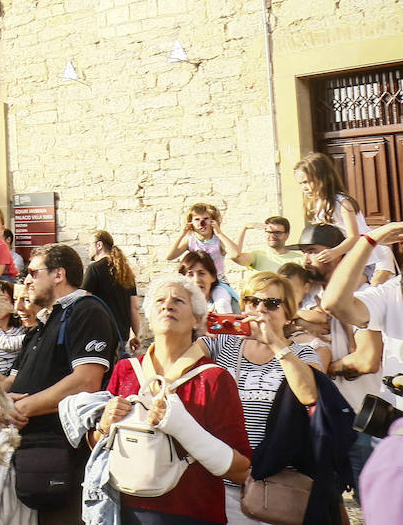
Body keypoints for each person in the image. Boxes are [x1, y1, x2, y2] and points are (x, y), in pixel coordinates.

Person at [92, 274, 252, 524]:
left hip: (192, 513)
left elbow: (241, 470)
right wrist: (104, 425)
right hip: (126, 511)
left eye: (178, 300)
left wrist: (184, 429)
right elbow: (97, 446)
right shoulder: (125, 370)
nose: (167, 305)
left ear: (197, 319)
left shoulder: (213, 379)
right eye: (159, 301)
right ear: (149, 318)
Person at [3, 244, 119, 524]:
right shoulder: (48, 321)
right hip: (36, 460)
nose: (27, 280)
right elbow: (16, 381)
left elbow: (86, 381)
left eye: (33, 272)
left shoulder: (86, 311)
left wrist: (22, 407)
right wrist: (1, 402)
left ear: (59, 274)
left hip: (68, 461)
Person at [197, 271, 324, 522]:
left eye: (272, 303)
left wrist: (276, 343)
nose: (261, 309)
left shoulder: (303, 354)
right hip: (222, 481)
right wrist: (195, 327)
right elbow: (178, 364)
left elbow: (310, 394)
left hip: (274, 488)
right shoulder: (221, 345)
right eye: (253, 302)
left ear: (287, 312)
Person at [295, 222, 383, 486]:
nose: (306, 259)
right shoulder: (313, 299)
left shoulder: (363, 297)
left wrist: (324, 369)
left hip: (363, 420)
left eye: (312, 250)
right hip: (335, 418)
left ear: (339, 255)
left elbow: (366, 360)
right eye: (303, 252)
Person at [295, 151, 396, 285]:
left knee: (352, 289)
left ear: (322, 178)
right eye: (301, 183)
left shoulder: (342, 203)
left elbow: (354, 236)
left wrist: (334, 252)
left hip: (368, 258)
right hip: (348, 258)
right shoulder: (316, 203)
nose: (304, 188)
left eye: (307, 182)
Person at [84, 229, 141, 355]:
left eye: (89, 245)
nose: (87, 249)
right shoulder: (126, 272)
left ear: (99, 245)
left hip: (100, 335)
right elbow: (134, 308)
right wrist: (134, 335)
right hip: (122, 335)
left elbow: (85, 304)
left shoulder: (94, 269)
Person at [166, 203, 230, 279]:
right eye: (197, 219)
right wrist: (182, 235)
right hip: (197, 281)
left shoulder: (218, 241)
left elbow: (235, 253)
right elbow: (170, 256)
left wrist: (219, 233)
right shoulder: (190, 241)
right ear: (191, 223)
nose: (202, 223)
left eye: (206, 219)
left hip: (218, 281)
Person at [226, 215, 295, 273]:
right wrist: (245, 228)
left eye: (277, 232)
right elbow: (234, 255)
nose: (272, 236)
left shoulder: (299, 258)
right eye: (269, 232)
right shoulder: (257, 256)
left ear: (287, 235)